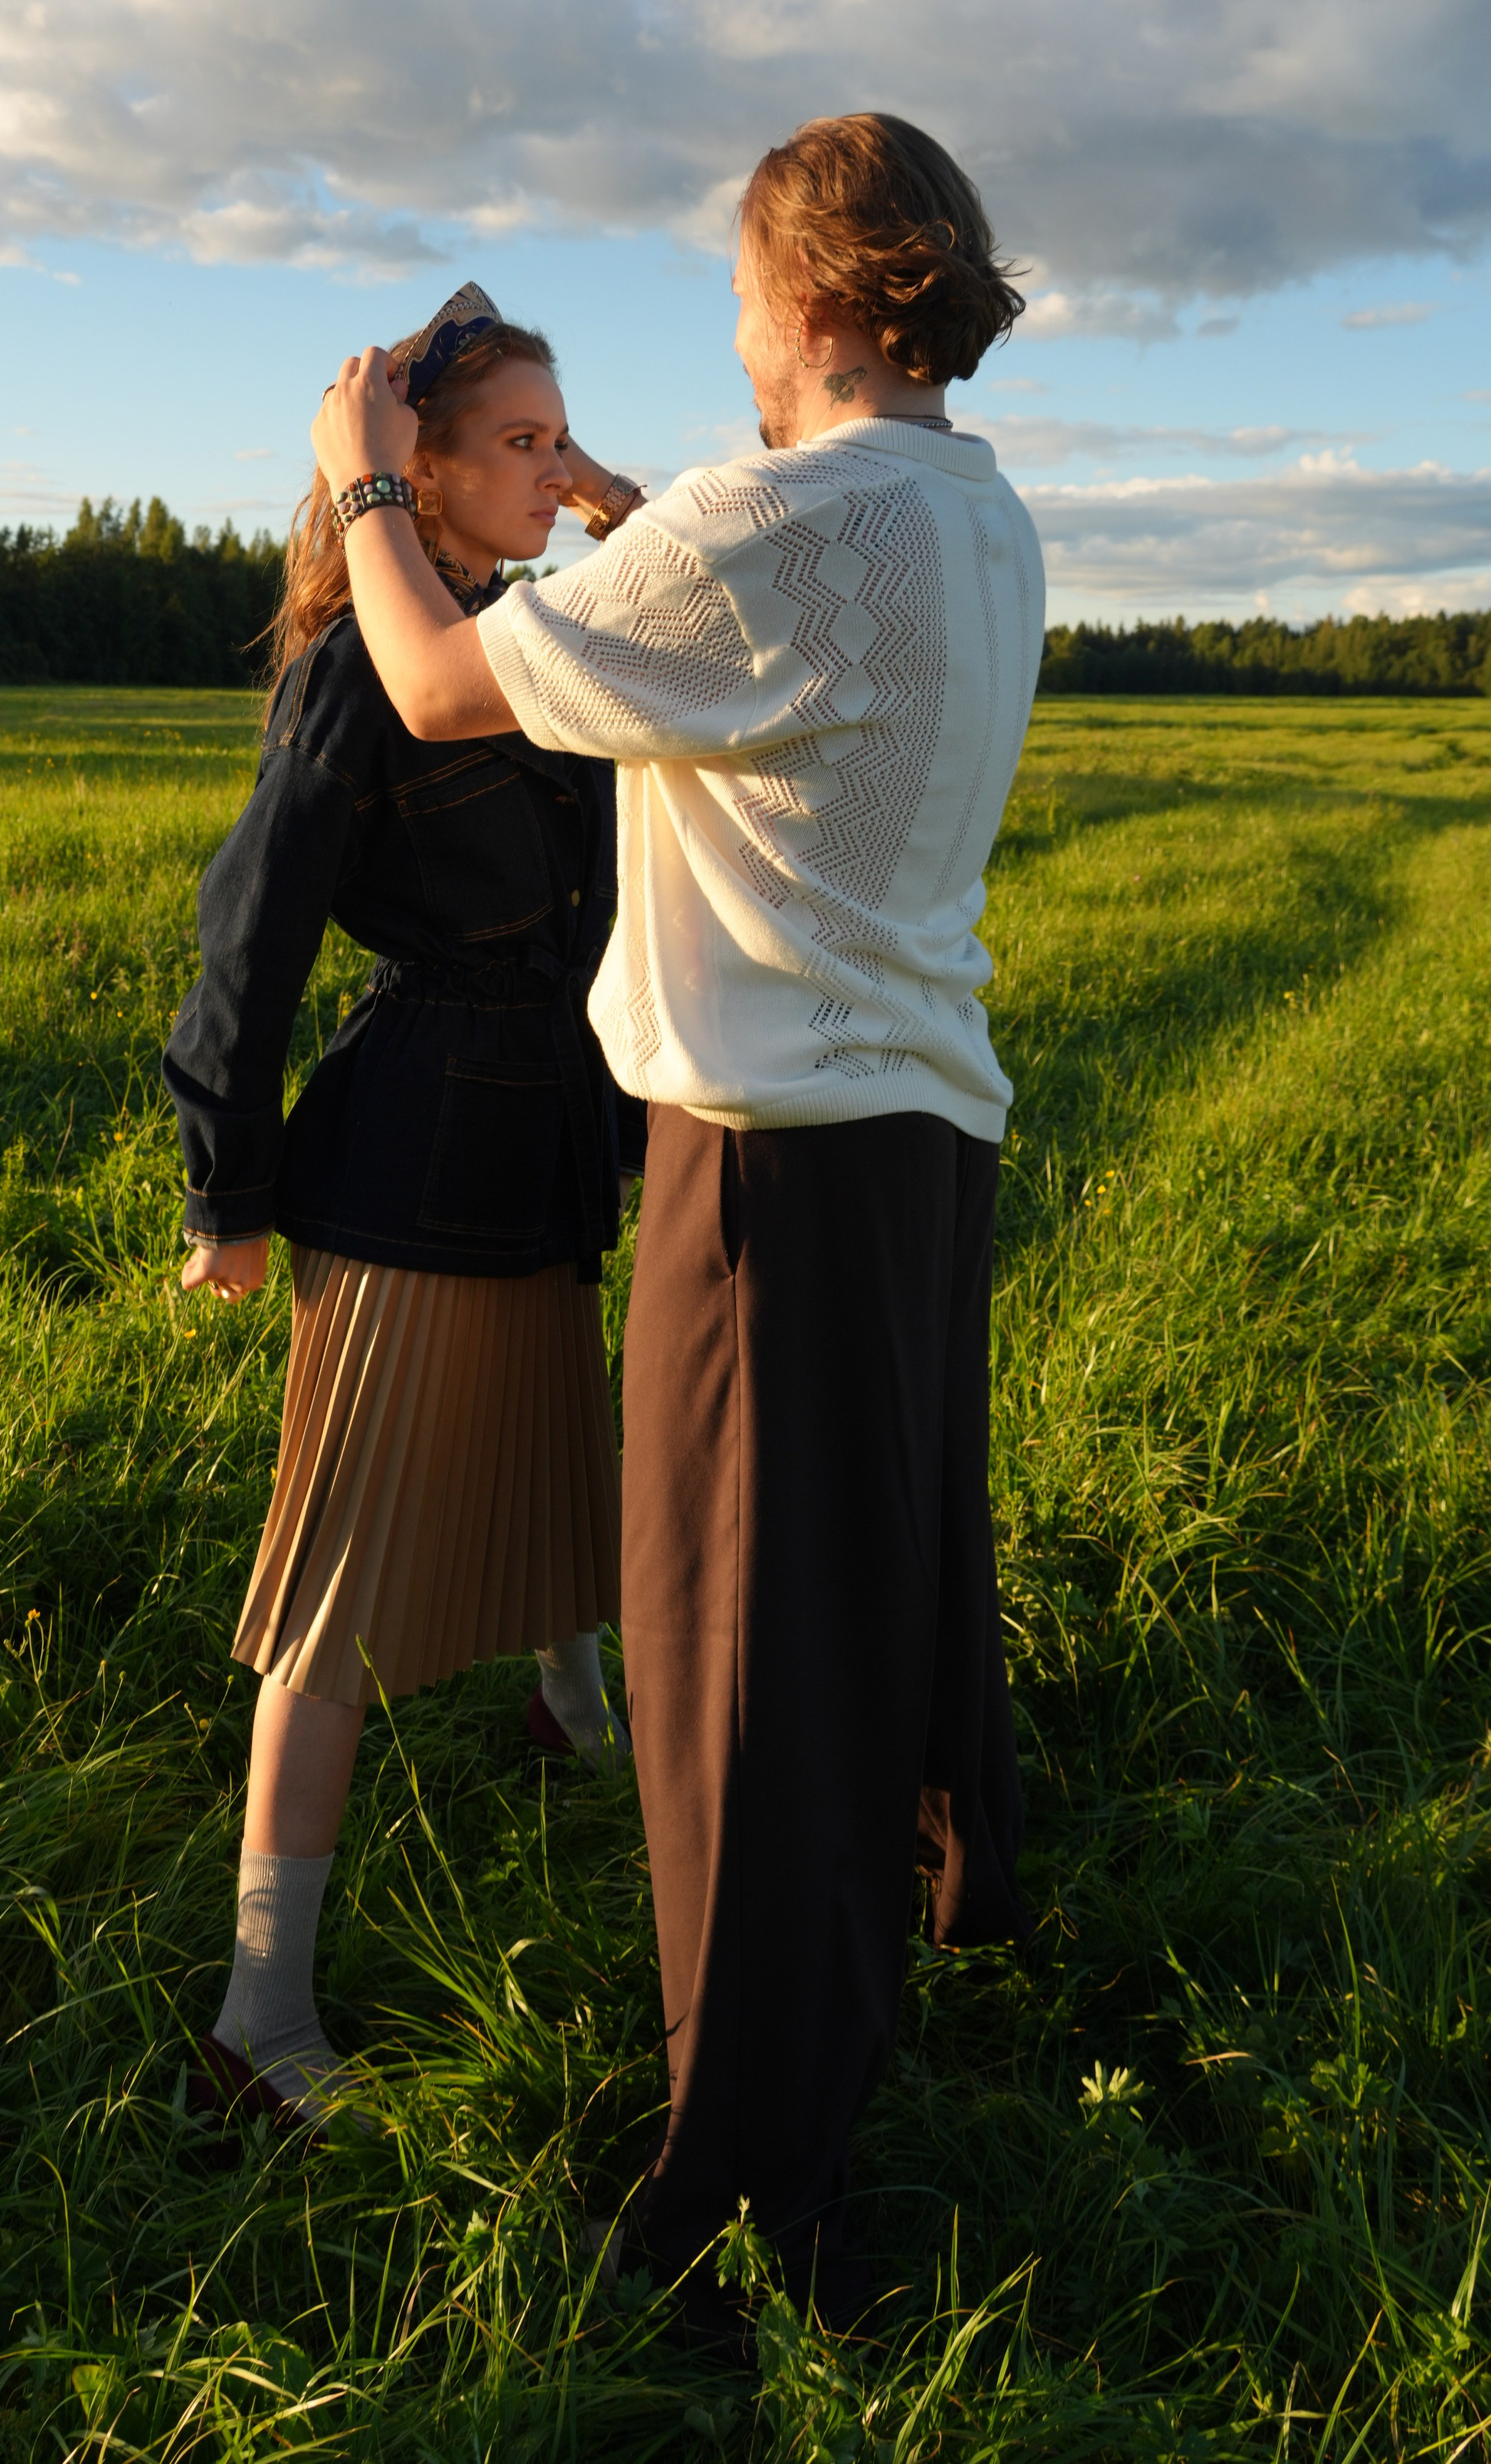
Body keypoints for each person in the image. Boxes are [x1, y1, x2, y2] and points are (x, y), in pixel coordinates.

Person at [309, 116, 1045, 2320]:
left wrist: (367, 487)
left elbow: (439, 685)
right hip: (918, 1130)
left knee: (733, 1669)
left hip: (769, 1157)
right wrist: (643, 529)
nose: (728, 336)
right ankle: (939, 1918)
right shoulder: (973, 513)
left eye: (736, 296)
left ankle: (745, 2202)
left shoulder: (772, 523)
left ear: (809, 301)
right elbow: (789, 651)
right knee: (882, 1584)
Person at [164, 285, 649, 2128]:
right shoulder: (358, 674)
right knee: (338, 1592)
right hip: (412, 1162)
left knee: (558, 1457)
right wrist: (228, 1190)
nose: (550, 470)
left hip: (548, 1144)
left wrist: (592, 489)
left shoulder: (536, 641)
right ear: (413, 474)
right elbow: (248, 935)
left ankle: (569, 1715)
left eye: (559, 437)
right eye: (516, 443)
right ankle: (258, 2020)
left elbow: (678, 588)